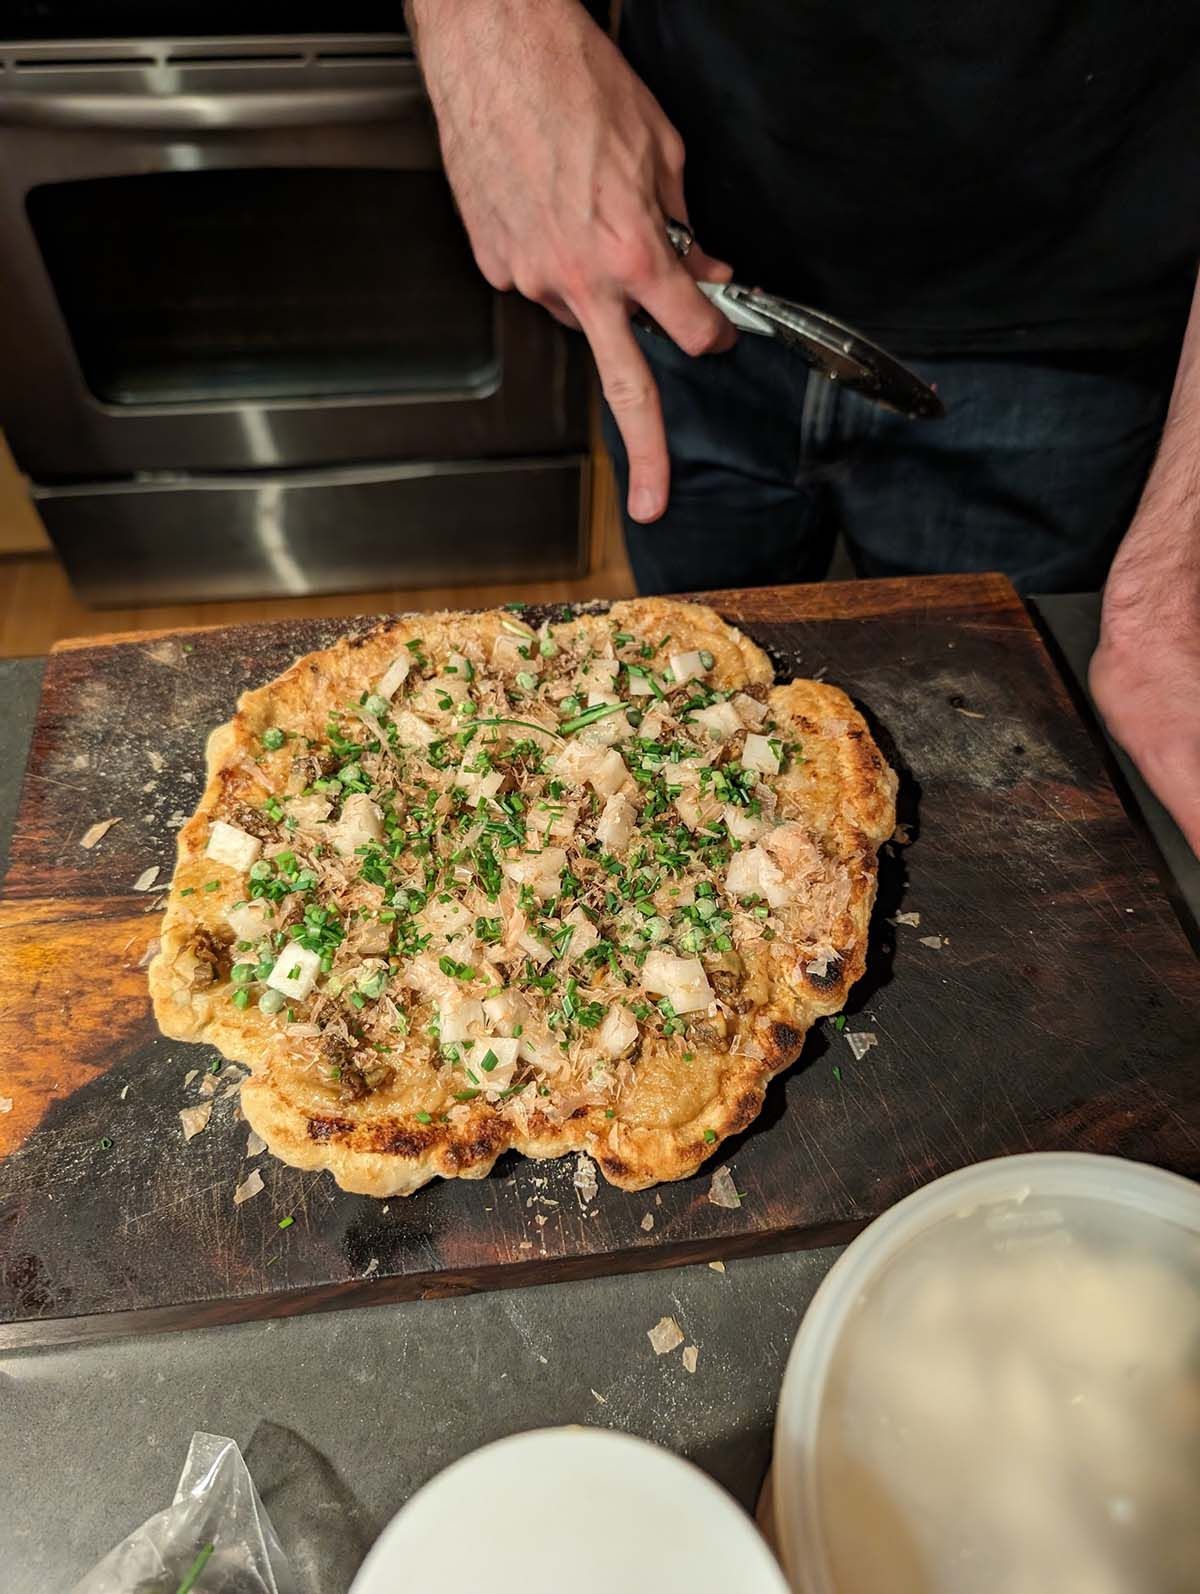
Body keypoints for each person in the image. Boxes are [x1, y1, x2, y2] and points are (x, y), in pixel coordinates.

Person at [408, 0, 1200, 856]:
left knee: (1004, 795)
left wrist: (1173, 578)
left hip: (1072, 327)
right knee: (660, 704)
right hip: (675, 264)